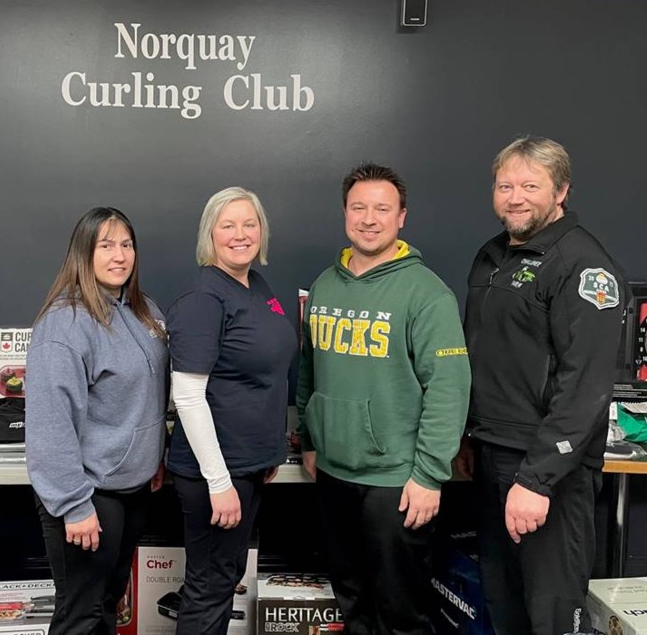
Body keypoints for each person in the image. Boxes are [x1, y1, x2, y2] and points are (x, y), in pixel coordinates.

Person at [456, 136, 628, 635]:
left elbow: (587, 385)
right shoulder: (491, 256)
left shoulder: (583, 266)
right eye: (505, 185)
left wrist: (537, 480)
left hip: (548, 472)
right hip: (492, 454)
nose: (515, 197)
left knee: (552, 614)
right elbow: (486, 355)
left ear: (561, 192)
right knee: (503, 602)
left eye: (530, 185)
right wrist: (471, 436)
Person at [297, 163, 472, 635]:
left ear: (402, 218)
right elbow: (309, 368)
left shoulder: (428, 293)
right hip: (333, 473)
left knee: (401, 612)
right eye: (359, 207)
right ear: (345, 215)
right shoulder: (324, 285)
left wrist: (429, 475)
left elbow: (449, 389)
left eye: (382, 208)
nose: (369, 218)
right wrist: (310, 440)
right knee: (352, 601)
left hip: (397, 483)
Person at [25, 206, 169, 635]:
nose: (119, 255)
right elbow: (51, 424)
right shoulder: (65, 324)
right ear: (83, 254)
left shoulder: (145, 312)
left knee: (108, 602)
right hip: (89, 493)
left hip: (134, 487)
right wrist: (73, 505)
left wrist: (153, 457)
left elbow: (147, 398)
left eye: (126, 245)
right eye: (105, 246)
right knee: (81, 615)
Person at [166, 187, 297, 635]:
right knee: (208, 587)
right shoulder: (203, 297)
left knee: (223, 579)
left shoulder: (255, 285)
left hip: (248, 466)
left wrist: (267, 453)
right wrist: (219, 481)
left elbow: (265, 372)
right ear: (210, 234)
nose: (241, 235)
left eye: (250, 224)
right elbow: (186, 396)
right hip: (214, 475)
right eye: (228, 225)